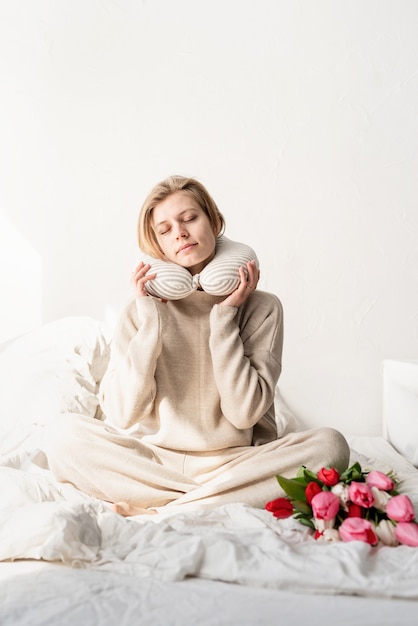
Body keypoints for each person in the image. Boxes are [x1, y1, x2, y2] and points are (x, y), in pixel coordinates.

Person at [46, 175, 349, 516]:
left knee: (330, 445)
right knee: (62, 437)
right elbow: (123, 413)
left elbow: (244, 412)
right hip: (155, 463)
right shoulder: (140, 309)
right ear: (158, 245)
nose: (180, 232)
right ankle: (206, 502)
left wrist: (225, 318)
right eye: (165, 229)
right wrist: (150, 324)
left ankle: (163, 509)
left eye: (189, 218)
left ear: (215, 221)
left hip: (235, 463)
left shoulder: (263, 308)